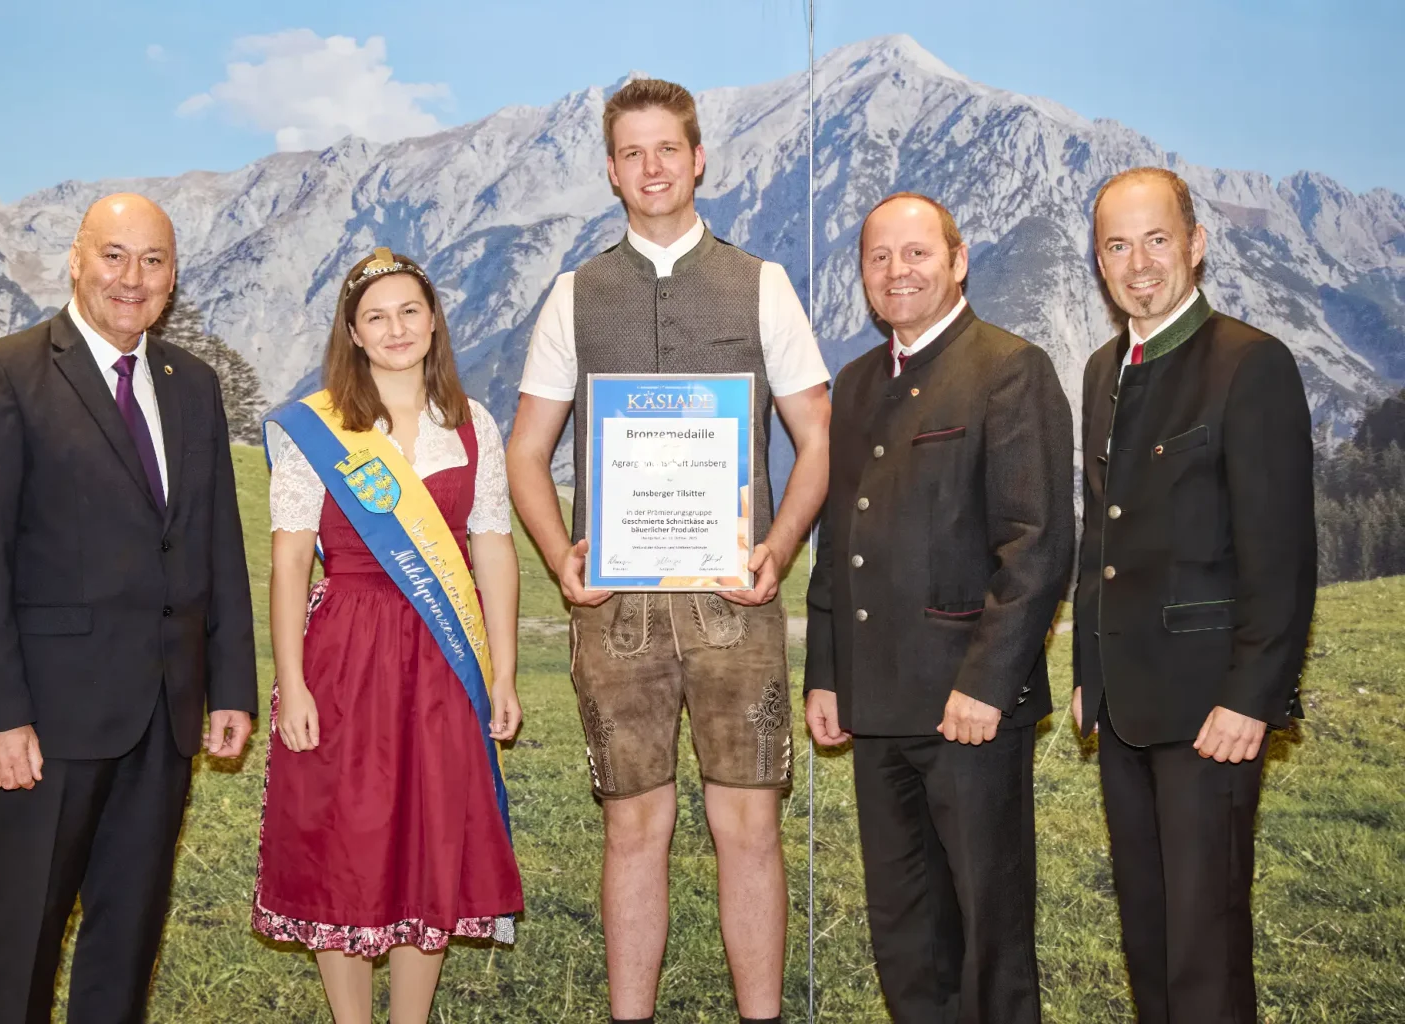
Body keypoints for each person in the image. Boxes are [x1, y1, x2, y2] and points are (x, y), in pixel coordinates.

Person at [506, 79, 830, 1024]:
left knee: (749, 828)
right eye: (632, 153)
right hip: (619, 614)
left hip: (738, 602)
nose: (652, 169)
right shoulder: (574, 294)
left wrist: (777, 546)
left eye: (667, 150)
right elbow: (528, 454)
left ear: (699, 160)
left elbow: (818, 437)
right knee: (633, 827)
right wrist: (560, 555)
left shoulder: (762, 282)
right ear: (612, 171)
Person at [0, 193, 257, 1023]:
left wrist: (229, 687)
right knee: (24, 940)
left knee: (127, 940)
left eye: (152, 261)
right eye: (113, 255)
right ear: (75, 260)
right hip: (47, 724)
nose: (132, 278)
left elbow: (214, 541)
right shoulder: (0, 373)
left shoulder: (192, 385)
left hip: (163, 716)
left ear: (174, 278)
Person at [804, 192, 1073, 1024]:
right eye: (879, 258)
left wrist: (987, 684)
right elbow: (835, 543)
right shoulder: (851, 385)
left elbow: (1036, 543)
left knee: (990, 933)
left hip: (969, 709)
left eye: (917, 253)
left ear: (958, 261)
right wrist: (824, 674)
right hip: (877, 705)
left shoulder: (1009, 368)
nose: (898, 272)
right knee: (906, 931)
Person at [253, 248, 524, 1024]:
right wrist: (294, 681)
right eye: (377, 316)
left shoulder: (473, 424)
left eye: (409, 311)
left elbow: (493, 546)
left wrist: (502, 674)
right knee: (345, 834)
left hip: (444, 657)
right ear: (354, 332)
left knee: (429, 835)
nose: (396, 328)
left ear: (433, 320)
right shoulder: (317, 426)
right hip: (345, 651)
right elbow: (288, 560)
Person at [1074, 167, 1316, 1023]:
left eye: (1156, 240)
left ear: (1195, 246)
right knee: (1147, 938)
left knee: (1204, 952)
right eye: (1117, 245)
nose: (1138, 264)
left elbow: (1281, 556)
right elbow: (1099, 534)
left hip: (1211, 713)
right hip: (1125, 709)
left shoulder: (1251, 364)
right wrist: (1084, 671)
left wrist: (1252, 698)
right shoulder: (1105, 369)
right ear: (1099, 263)